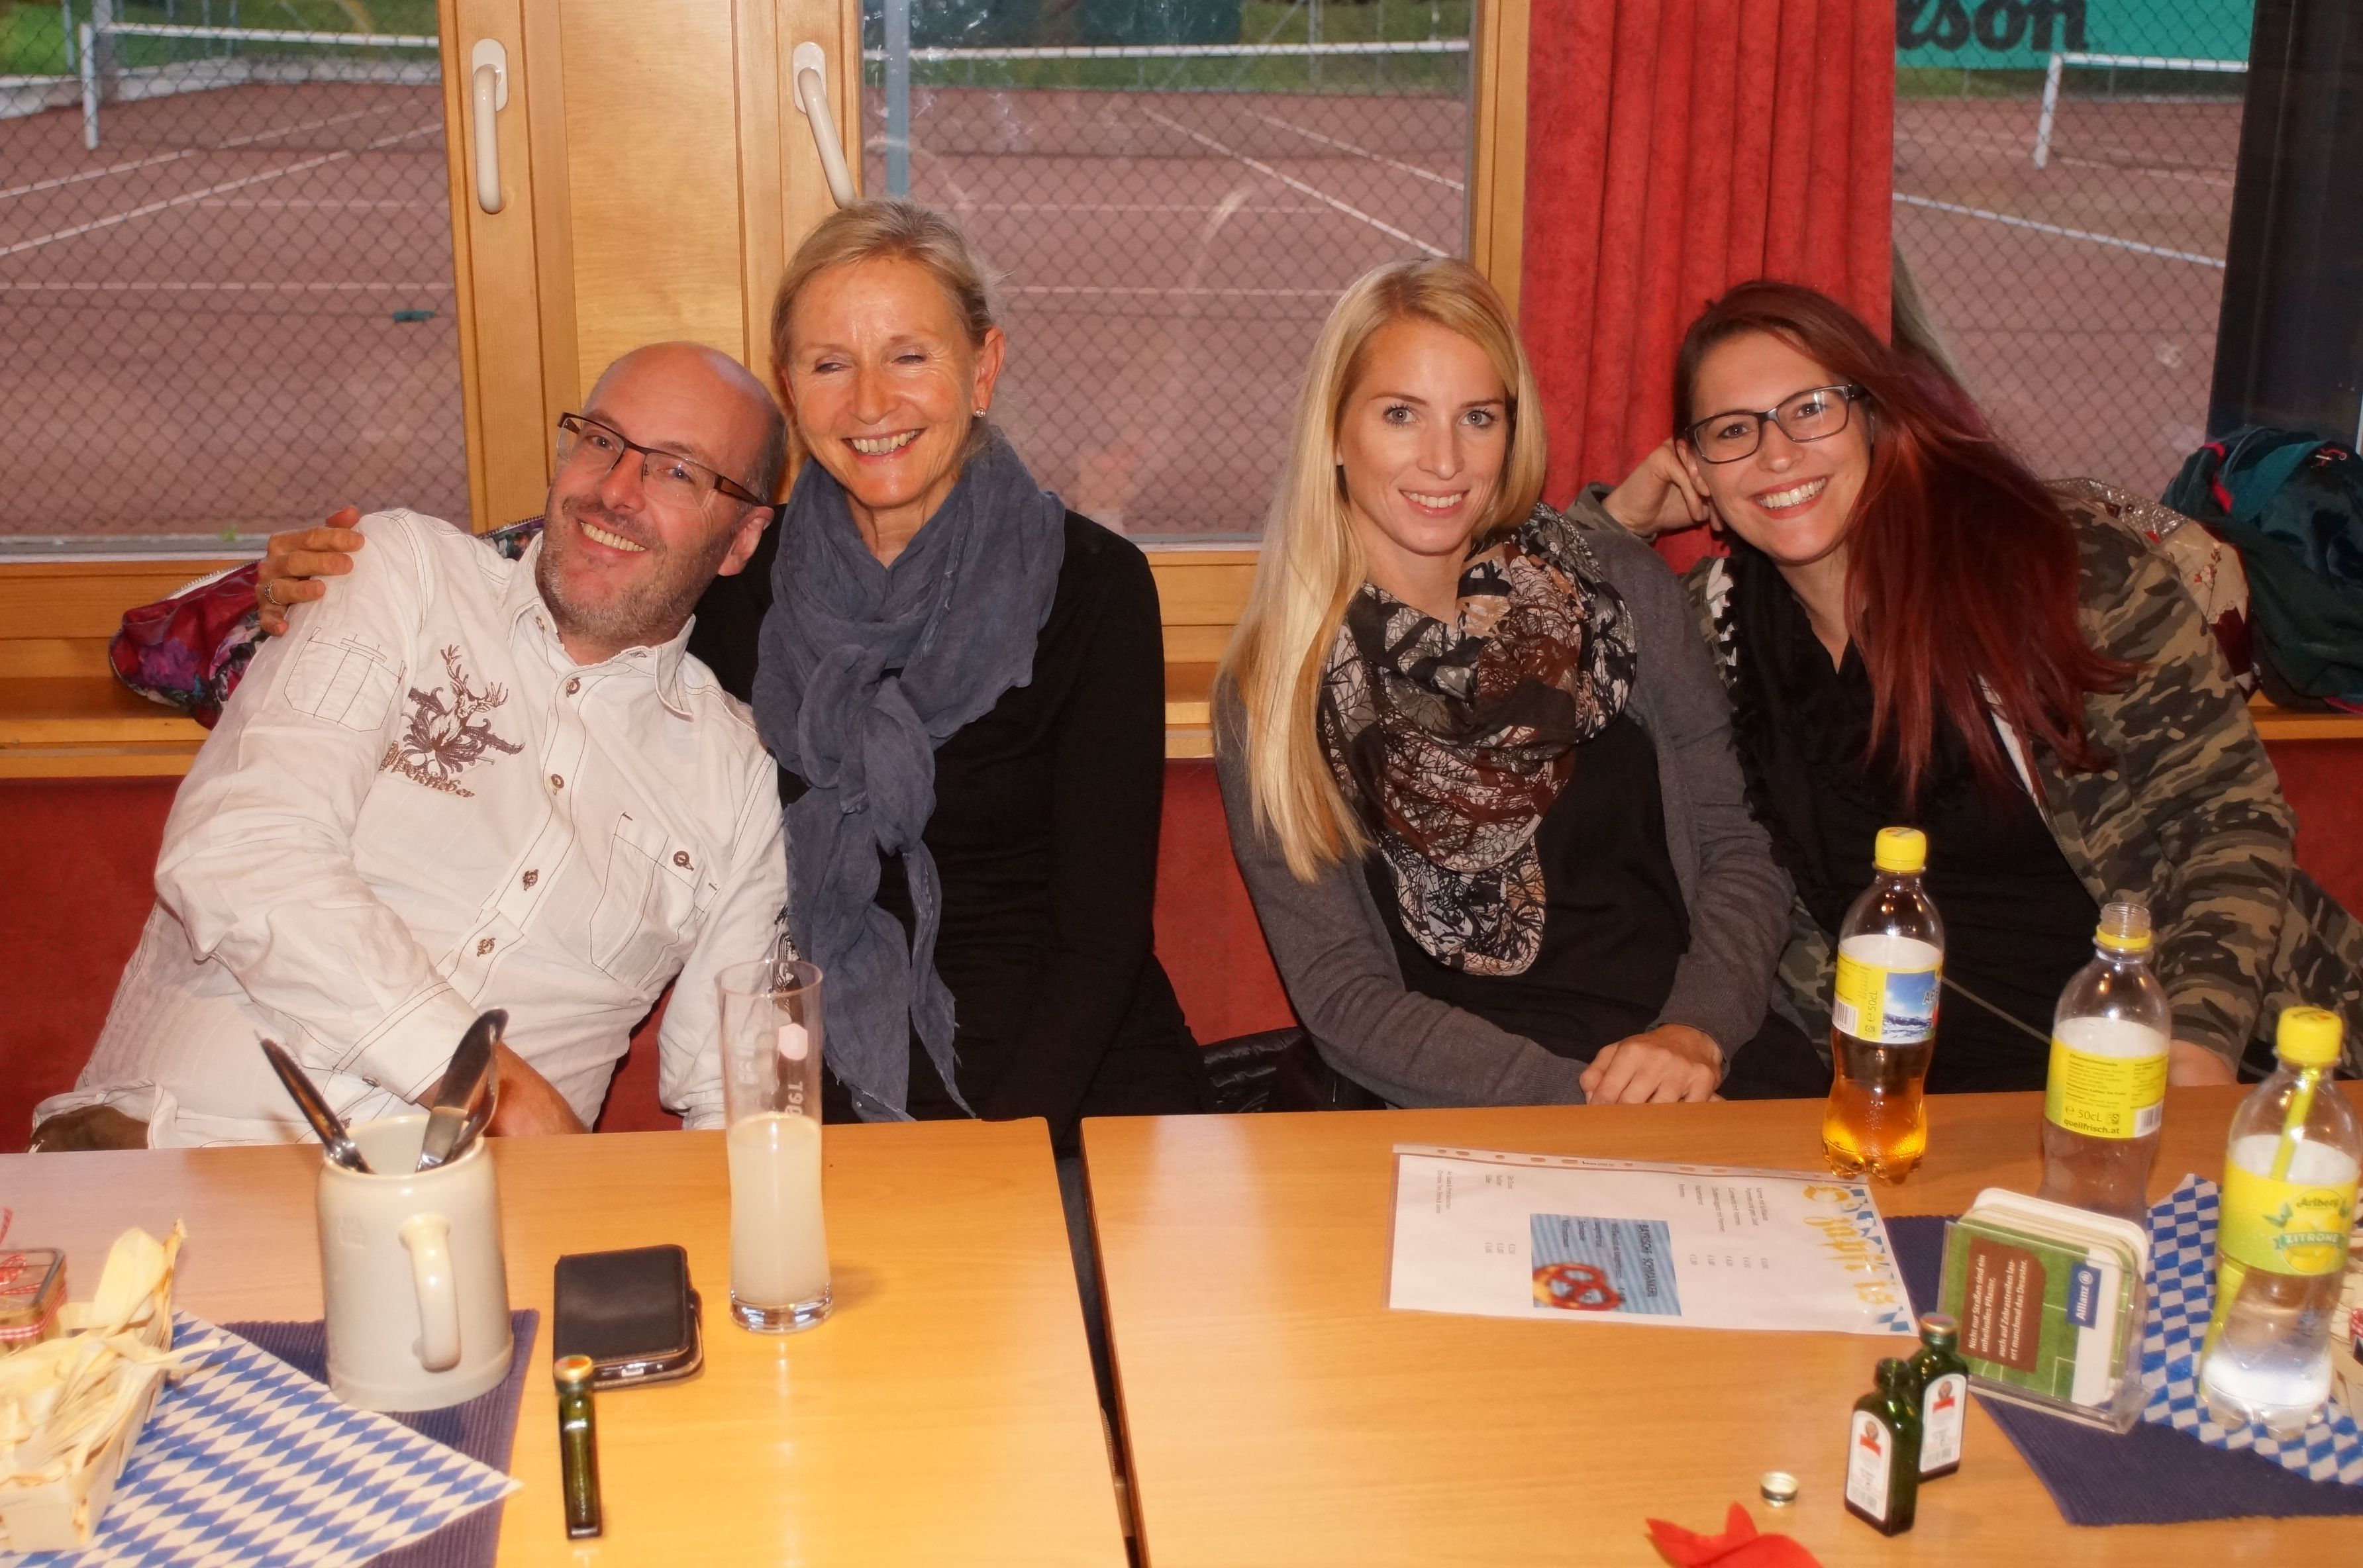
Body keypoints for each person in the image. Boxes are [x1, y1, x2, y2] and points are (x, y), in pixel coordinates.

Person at [242, 200, 1205, 1151]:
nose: (870, 403)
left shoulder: (1092, 586)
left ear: (983, 368)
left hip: (1074, 1092)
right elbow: (552, 563)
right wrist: (280, 590)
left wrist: (996, 1159)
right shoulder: (738, 572)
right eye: (830, 364)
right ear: (792, 388)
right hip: (838, 1090)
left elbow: (1101, 940)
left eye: (909, 357)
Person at [1594, 279, 2363, 1086]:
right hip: (1920, 1101)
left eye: (1810, 409)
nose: (1776, 453)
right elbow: (1552, 632)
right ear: (1695, 468)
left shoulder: (2054, 568)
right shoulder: (1713, 631)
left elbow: (2226, 819)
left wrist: (2194, 1050)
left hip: (2224, 1060)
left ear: (1874, 419)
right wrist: (1620, 523)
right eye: (1732, 431)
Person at [32, 343, 792, 1150]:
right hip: (190, 1149)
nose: (615, 490)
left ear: (742, 538)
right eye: (602, 440)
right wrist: (496, 1091)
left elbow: (732, 1092)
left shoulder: (741, 779)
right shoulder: (402, 577)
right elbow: (240, 851)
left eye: (675, 470)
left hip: (492, 1212)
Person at [1215, 258, 1820, 1108]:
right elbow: (1343, 995)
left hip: (1696, 1064)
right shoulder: (1273, 688)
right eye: (1400, 414)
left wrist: (1697, 1032)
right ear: (1334, 433)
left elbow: (1740, 844)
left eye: (1477, 417)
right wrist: (1583, 1104)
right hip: (1459, 1101)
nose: (1444, 460)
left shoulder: (1620, 586)